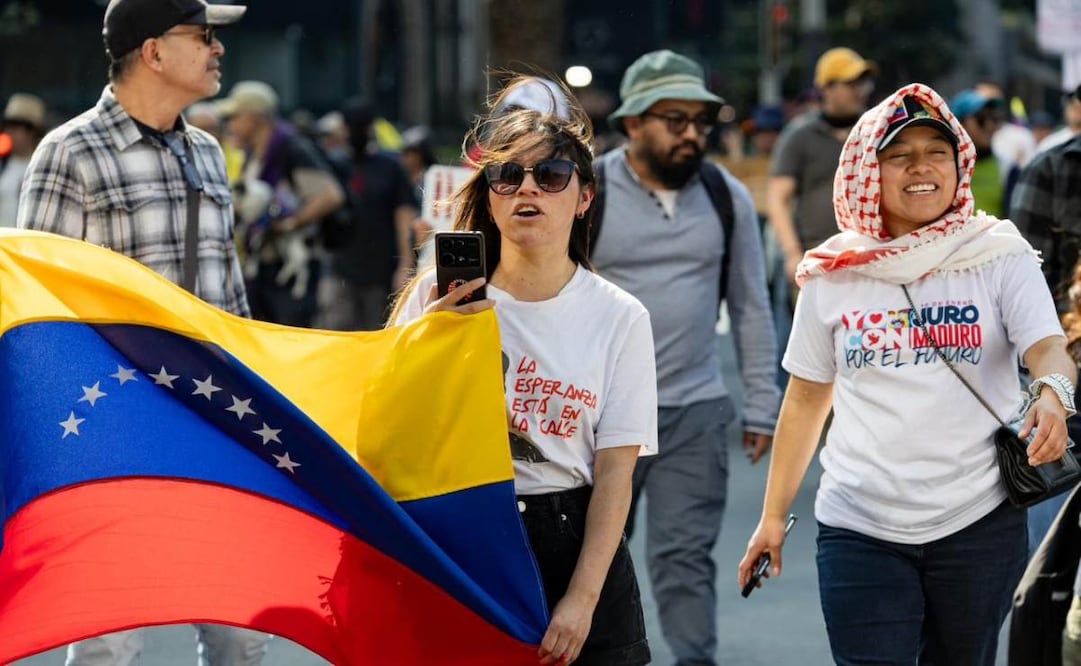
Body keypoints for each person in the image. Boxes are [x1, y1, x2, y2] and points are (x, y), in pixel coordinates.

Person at [739, 83, 1077, 665]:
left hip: (979, 521)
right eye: (900, 156)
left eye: (937, 153)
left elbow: (1046, 346)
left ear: (959, 163)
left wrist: (1052, 394)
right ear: (870, 170)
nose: (921, 169)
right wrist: (772, 518)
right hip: (859, 525)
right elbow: (805, 401)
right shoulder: (835, 273)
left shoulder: (997, 253)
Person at [15, 0, 269, 663]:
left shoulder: (209, 152)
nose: (218, 50)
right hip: (115, 435)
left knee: (240, 636)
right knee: (110, 641)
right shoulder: (69, 152)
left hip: (218, 422)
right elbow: (37, 314)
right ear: (153, 51)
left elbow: (229, 292)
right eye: (203, 36)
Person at [391, 76, 656, 666]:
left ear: (584, 196)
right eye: (506, 177)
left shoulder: (620, 317)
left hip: (573, 533)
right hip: (464, 531)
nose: (526, 189)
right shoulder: (438, 296)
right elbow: (384, 419)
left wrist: (582, 601)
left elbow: (616, 474)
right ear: (488, 195)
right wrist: (427, 339)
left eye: (552, 176)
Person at [594, 49, 780, 666]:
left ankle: (694, 659)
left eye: (702, 121)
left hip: (693, 410)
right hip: (597, 419)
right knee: (594, 557)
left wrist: (762, 404)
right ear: (633, 124)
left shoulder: (723, 194)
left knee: (684, 557)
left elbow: (752, 304)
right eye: (675, 120)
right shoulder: (586, 192)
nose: (693, 134)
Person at [215, 80, 345, 328]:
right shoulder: (254, 153)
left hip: (293, 270)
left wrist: (289, 224)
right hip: (263, 266)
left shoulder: (292, 148)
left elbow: (331, 196)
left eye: (235, 117)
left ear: (254, 118)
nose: (230, 124)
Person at [769, 47, 876, 284]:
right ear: (826, 88)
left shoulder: (875, 132)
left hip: (871, 256)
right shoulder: (799, 135)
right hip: (817, 258)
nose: (860, 91)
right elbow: (778, 199)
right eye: (851, 84)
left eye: (863, 83)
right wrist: (792, 254)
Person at [319, 97, 417, 331]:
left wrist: (405, 264)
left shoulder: (390, 167)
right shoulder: (333, 165)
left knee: (377, 336)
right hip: (339, 268)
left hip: (380, 271)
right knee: (337, 338)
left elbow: (404, 215)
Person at [950, 88, 1009, 217]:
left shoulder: (1008, 169)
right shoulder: (944, 168)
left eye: (994, 118)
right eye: (981, 119)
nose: (989, 126)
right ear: (959, 124)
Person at [0, 93, 47, 227]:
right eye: (8, 126)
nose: (9, 132)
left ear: (31, 132)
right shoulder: (3, 165)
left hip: (26, 244)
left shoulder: (42, 167)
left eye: (15, 127)